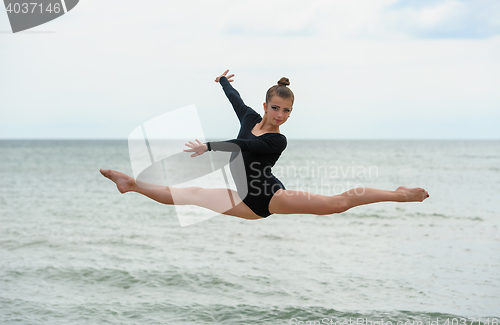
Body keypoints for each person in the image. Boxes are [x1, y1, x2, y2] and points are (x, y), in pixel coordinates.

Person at [100, 70, 429, 220]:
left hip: (271, 197)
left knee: (337, 204)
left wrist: (208, 146)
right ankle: (131, 184)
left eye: (287, 111)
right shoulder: (248, 117)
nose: (281, 115)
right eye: (276, 108)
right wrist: (224, 81)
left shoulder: (277, 140)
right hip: (244, 200)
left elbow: (245, 148)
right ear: (267, 105)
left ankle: (399, 194)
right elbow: (236, 101)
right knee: (189, 196)